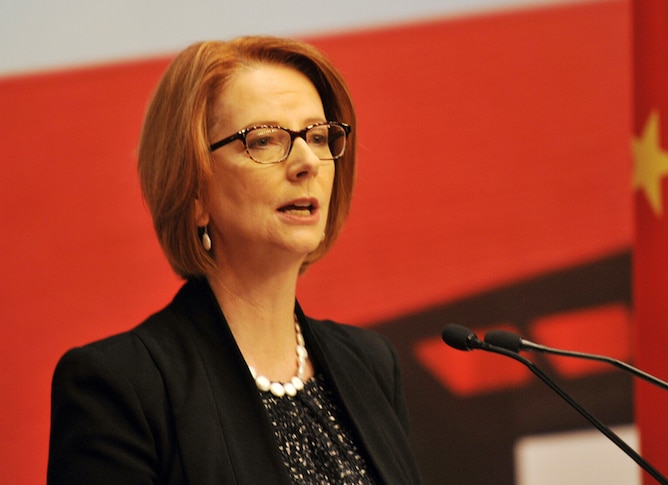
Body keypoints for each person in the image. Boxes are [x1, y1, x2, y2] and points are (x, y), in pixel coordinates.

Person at [47, 36, 422, 484]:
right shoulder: (120, 388)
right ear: (196, 190)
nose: (307, 162)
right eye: (264, 140)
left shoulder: (370, 365)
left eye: (319, 136)